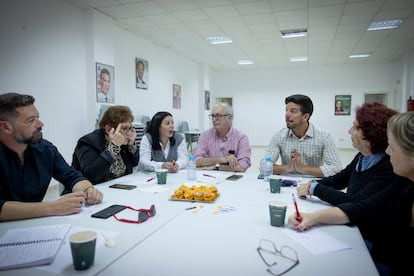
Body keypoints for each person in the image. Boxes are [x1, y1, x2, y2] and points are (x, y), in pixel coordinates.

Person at [288, 112, 414, 276]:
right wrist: (313, 217)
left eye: (393, 146)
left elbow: (358, 202)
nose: (388, 151)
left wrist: (314, 189)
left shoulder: (392, 172)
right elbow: (362, 207)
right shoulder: (403, 183)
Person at [0, 93, 103, 221]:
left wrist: (88, 190)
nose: (40, 124)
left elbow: (72, 176)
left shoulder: (44, 149)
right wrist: (52, 207)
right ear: (6, 127)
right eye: (31, 120)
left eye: (37, 117)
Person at [296, 102, 398, 205]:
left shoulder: (388, 168)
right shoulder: (362, 156)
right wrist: (314, 183)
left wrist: (316, 189)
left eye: (354, 128)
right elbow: (340, 179)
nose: (349, 131)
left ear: (370, 137)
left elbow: (356, 202)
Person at [261, 94, 342, 177]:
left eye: (293, 111)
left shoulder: (324, 136)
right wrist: (287, 168)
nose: (287, 115)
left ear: (305, 117)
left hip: (312, 185)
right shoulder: (279, 136)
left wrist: (303, 168)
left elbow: (336, 168)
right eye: (286, 110)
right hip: (286, 185)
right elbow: (263, 166)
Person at [72, 105, 139, 185]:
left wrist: (131, 144)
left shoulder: (122, 141)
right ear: (108, 129)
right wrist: (114, 146)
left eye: (130, 128)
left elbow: (134, 163)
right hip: (92, 190)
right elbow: (92, 175)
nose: (129, 133)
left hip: (119, 187)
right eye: (125, 129)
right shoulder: (88, 142)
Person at [194, 102, 251, 172]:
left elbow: (242, 167)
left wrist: (216, 167)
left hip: (232, 180)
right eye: (213, 116)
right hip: (209, 179)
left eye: (218, 116)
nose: (214, 119)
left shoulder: (241, 138)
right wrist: (221, 159)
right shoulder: (205, 135)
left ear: (230, 118)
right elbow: (197, 161)